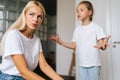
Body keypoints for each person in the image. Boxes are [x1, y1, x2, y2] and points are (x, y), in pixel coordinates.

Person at [0, 0, 63, 80]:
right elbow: (24, 71)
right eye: (31, 14)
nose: (35, 19)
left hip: (26, 77)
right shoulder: (14, 35)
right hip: (9, 77)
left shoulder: (36, 40)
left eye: (39, 17)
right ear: (24, 15)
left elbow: (44, 65)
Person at [50, 1, 110, 80]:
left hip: (94, 64)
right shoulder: (77, 30)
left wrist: (103, 45)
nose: (78, 12)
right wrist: (61, 43)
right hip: (82, 64)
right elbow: (74, 45)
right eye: (77, 11)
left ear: (89, 12)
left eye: (81, 10)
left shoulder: (96, 27)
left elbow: (101, 44)